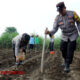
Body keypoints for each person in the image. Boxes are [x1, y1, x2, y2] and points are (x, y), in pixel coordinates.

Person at [45, 2, 80, 72]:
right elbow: (55, 29)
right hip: (64, 36)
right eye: (59, 11)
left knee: (70, 50)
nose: (60, 12)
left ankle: (67, 65)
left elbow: (79, 22)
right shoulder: (57, 18)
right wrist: (49, 32)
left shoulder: (73, 13)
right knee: (62, 49)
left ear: (65, 8)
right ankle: (65, 61)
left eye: (61, 10)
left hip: (73, 34)